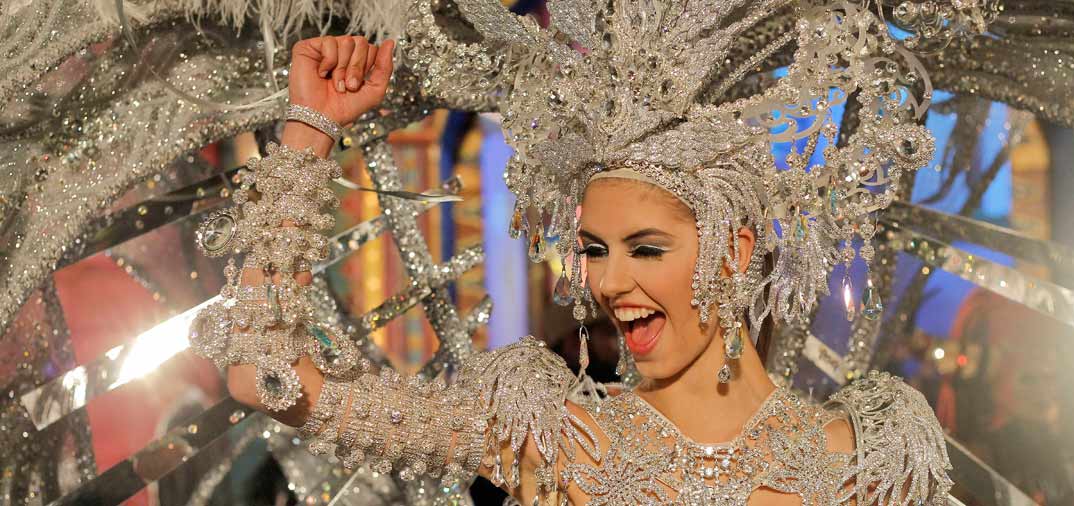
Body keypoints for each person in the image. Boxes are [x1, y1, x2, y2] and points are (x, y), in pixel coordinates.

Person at [192, 2, 954, 504]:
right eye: (593, 248)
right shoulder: (554, 444)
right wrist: (309, 129)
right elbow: (268, 376)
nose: (607, 282)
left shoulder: (866, 463)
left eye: (646, 249)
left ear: (734, 249)